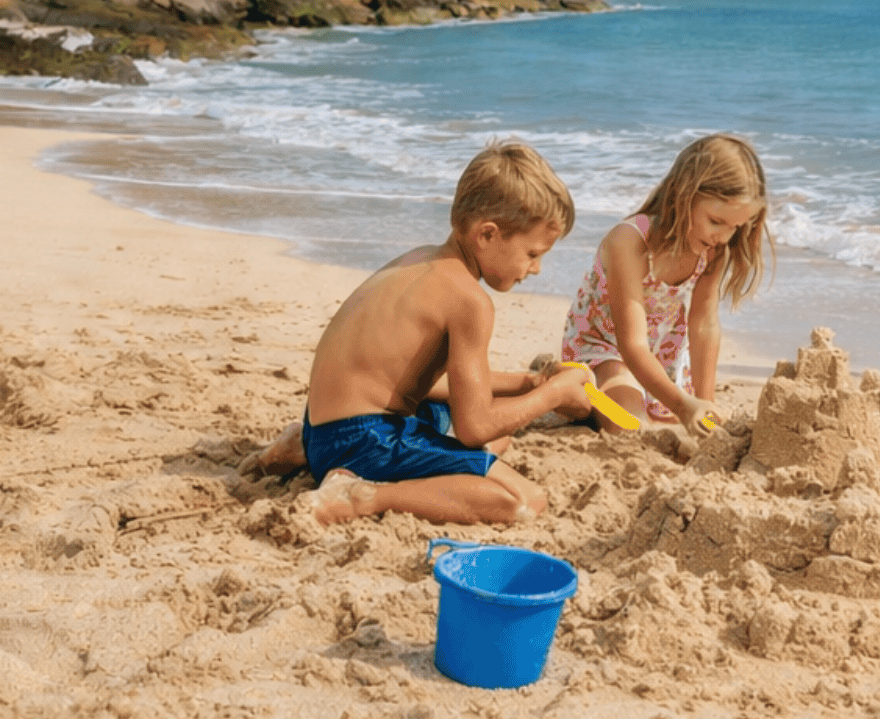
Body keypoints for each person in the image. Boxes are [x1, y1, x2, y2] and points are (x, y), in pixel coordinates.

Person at [245, 140, 599, 524]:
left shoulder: (419, 259)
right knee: (521, 500)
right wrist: (552, 394)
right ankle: (362, 496)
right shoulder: (470, 302)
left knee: (500, 439)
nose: (536, 269)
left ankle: (300, 447)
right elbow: (473, 428)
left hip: (321, 428)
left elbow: (417, 383)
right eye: (532, 254)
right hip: (362, 439)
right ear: (488, 235)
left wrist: (530, 382)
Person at [559, 133, 772, 431]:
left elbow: (704, 325)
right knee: (630, 425)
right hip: (606, 349)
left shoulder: (713, 250)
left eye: (735, 227)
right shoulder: (629, 242)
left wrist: (703, 403)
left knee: (683, 418)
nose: (723, 237)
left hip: (661, 357)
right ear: (684, 195)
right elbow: (630, 343)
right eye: (715, 221)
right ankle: (570, 383)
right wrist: (684, 407)